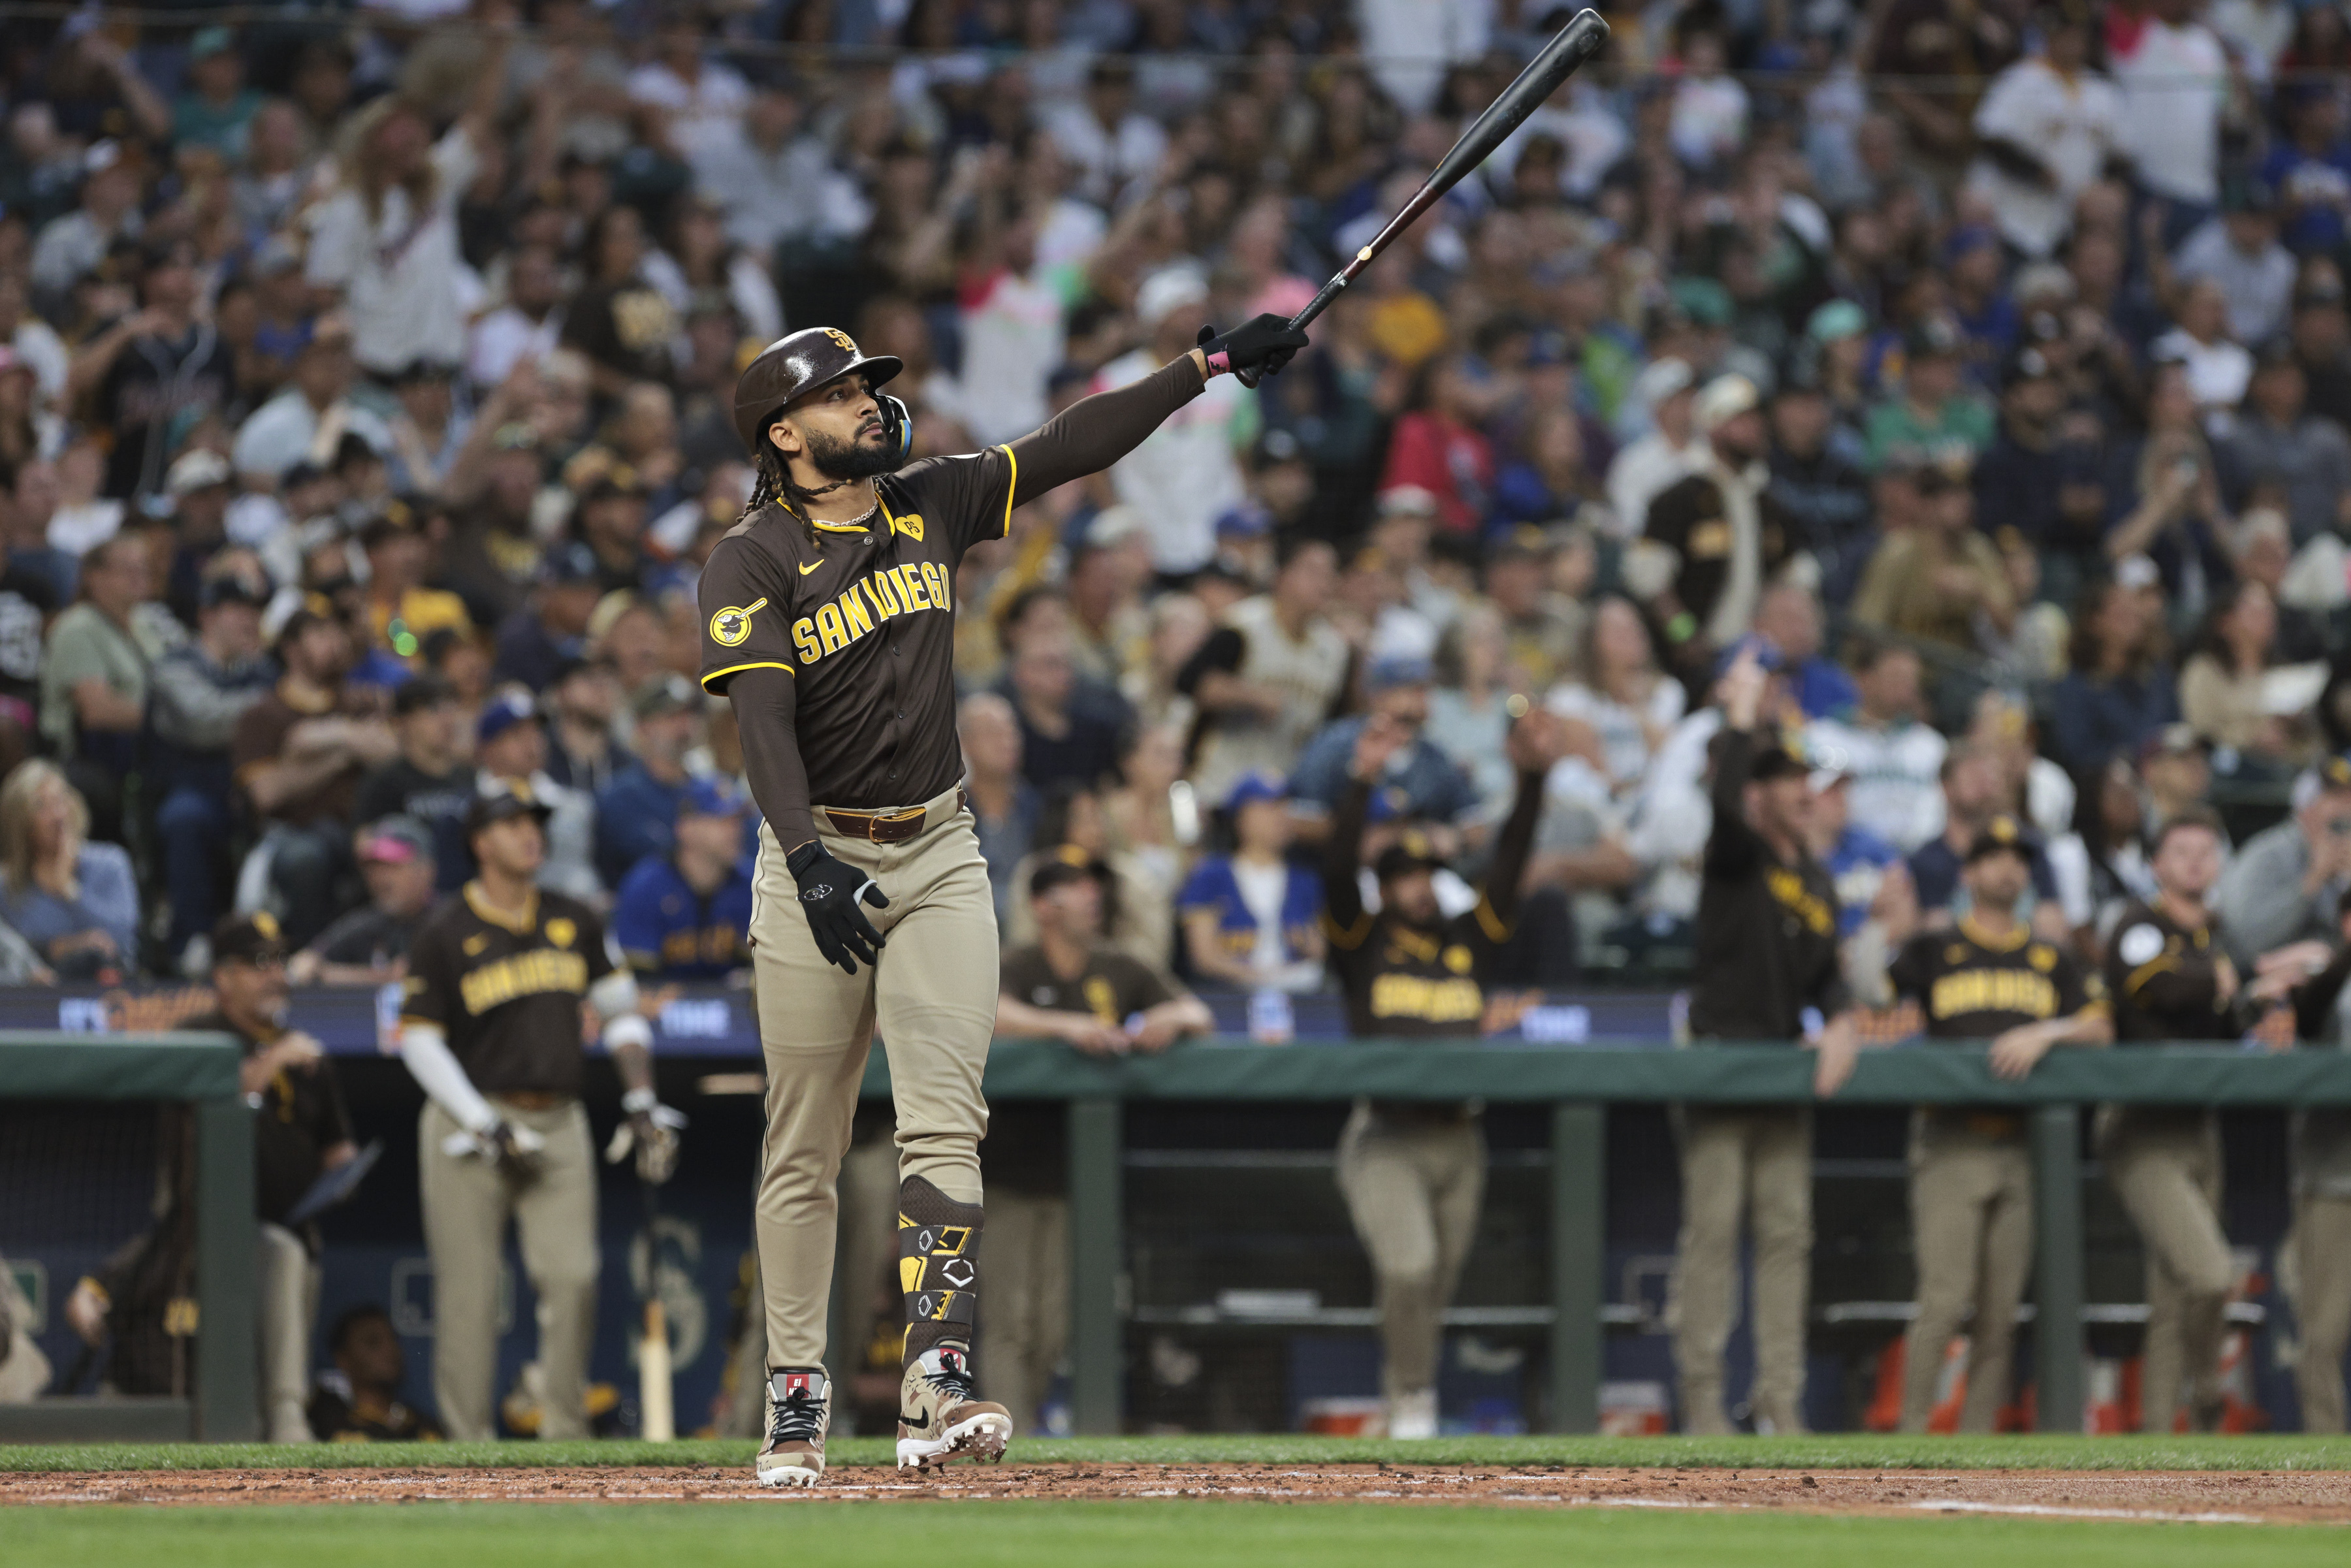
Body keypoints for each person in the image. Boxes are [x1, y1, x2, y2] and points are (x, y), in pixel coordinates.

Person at [696, 313, 1305, 1484]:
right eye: (843, 394)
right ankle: (797, 1391)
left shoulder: (932, 500)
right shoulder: (753, 555)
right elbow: (760, 720)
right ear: (784, 431)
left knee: (944, 1121)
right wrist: (804, 855)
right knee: (806, 1145)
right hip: (813, 851)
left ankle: (934, 1380)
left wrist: (1205, 368)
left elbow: (1073, 443)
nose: (871, 403)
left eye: (871, 387)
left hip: (937, 851)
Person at [396, 780, 680, 1443]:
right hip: (470, 1122)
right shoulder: (446, 928)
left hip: (558, 1118)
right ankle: (467, 1444)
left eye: (536, 821)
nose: (532, 833)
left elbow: (620, 1014)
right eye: (513, 822)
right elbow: (417, 1038)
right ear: (479, 841)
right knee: (469, 1295)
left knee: (573, 1277)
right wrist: (480, 1120)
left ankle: (564, 1436)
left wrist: (641, 1098)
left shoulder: (572, 915)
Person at [1319, 705, 1566, 1439]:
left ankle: (1407, 1396)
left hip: (1461, 1133)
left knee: (1436, 1284)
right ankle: (1414, 1400)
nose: (1419, 887)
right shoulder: (1361, 942)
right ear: (1384, 885)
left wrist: (1531, 777)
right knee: (1408, 1267)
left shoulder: (1469, 940)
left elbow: (1514, 860)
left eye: (1428, 873)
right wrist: (1360, 781)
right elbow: (1335, 868)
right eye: (1403, 876)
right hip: (1386, 1132)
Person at [1672, 647, 1863, 1436]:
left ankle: (1780, 1400)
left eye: (1800, 779)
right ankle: (1703, 1405)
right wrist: (1740, 716)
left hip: (1784, 1068)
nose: (1796, 790)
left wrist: (1846, 1018)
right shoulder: (1736, 853)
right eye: (1780, 778)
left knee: (1787, 1235)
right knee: (1713, 1237)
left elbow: (1827, 976)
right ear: (1759, 790)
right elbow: (1721, 805)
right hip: (1722, 1058)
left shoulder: (1814, 877)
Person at [1885, 817, 2111, 1433]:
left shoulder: (2049, 956)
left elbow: (2101, 1025)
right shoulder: (1934, 947)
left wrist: (2047, 1030)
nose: (2005, 867)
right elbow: (1872, 999)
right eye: (1991, 856)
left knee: (1999, 1310)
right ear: (1969, 872)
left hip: (2020, 1145)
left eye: (2016, 858)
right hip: (1950, 1139)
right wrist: (1885, 929)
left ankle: (1975, 1439)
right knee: (1943, 1297)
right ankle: (1909, 1433)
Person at [987, 857, 1211, 1431]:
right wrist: (1067, 1026)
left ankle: (1024, 1428)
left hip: (1079, 1177)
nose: (1090, 898)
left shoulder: (1119, 965)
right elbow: (989, 1012)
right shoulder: (1016, 961)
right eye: (1074, 889)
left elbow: (1197, 1011)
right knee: (1009, 1320)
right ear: (1043, 906)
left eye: (1093, 889)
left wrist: (1167, 1017)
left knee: (1057, 1323)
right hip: (1005, 1170)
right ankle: (1008, 1441)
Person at [182, 912, 357, 1443]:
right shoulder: (198, 1037)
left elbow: (337, 1147)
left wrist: (346, 1173)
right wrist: (275, 1058)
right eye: (259, 964)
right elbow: (211, 1108)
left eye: (279, 961)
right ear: (223, 976)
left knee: (291, 1258)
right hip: (214, 1233)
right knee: (280, 1254)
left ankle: (274, 1427)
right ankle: (286, 1421)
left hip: (296, 1226)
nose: (275, 974)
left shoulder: (308, 1056)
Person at [2102, 808, 2247, 1433]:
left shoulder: (2213, 938)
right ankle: (2209, 1384)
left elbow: (2231, 1021)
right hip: (2141, 1127)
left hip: (2197, 1128)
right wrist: (2220, 982)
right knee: (2211, 1274)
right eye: (2180, 850)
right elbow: (2159, 990)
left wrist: (2245, 996)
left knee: (2172, 1297)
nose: (2194, 861)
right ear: (2156, 863)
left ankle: (2159, 1439)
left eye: (2204, 852)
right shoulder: (2140, 923)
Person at [232, 606, 397, 948]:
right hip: (292, 832)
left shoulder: (361, 701)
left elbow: (391, 755)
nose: (336, 643)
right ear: (291, 649)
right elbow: (266, 793)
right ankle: (307, 957)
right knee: (307, 859)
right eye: (321, 635)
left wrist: (322, 742)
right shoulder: (263, 713)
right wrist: (344, 752)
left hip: (362, 827)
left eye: (338, 633)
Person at [150, 574, 274, 967]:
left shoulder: (262, 670)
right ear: (207, 616)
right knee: (185, 818)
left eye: (255, 611)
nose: (249, 621)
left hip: (253, 792)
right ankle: (190, 941)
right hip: (192, 789)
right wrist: (273, 707)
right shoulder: (175, 666)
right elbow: (203, 722)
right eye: (237, 610)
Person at [1174, 535, 1348, 807]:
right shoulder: (1243, 626)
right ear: (1281, 575)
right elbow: (1190, 683)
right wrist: (1250, 696)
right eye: (1313, 571)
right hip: (1218, 787)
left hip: (1280, 798)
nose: (1324, 583)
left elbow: (1337, 724)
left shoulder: (1336, 650)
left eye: (1331, 574)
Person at [1177, 772, 1324, 992]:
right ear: (1241, 817)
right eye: (1269, 807)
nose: (1281, 816)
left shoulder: (1304, 879)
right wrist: (1261, 978)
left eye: (1285, 806)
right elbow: (1204, 956)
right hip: (1227, 1000)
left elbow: (1318, 949)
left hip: (1295, 998)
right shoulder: (1211, 875)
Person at [1804, 640, 1947, 854]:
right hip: (1843, 855)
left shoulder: (1931, 745)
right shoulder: (1821, 736)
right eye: (1896, 677)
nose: (1906, 687)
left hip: (1916, 862)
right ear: (1865, 678)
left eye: (1912, 680)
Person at [0, 759, 138, 980]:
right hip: (35, 1004)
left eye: (60, 800)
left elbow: (124, 942)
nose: (58, 816)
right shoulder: (8, 886)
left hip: (110, 996)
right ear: (20, 822)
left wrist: (69, 891)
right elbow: (10, 955)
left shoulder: (110, 863)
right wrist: (61, 947)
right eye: (41, 806)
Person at [613, 778, 753, 981]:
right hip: (662, 1007)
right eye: (722, 821)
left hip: (735, 1007)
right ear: (686, 829)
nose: (736, 831)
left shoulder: (752, 884)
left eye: (738, 821)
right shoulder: (645, 886)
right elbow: (640, 981)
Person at [2216, 756, 2351, 963]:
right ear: (2306, 807)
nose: (2347, 807)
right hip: (2263, 977)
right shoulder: (2266, 855)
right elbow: (2247, 941)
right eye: (2336, 797)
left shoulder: (2343, 853)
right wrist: (2314, 879)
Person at [356, 675, 474, 892]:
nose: (447, 719)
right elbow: (364, 848)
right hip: (412, 899)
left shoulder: (471, 777)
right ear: (404, 721)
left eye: (451, 708)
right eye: (434, 710)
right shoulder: (385, 782)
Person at [288, 818, 438, 985]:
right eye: (374, 868)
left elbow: (408, 976)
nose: (381, 879)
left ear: (426, 870)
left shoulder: (450, 920)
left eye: (393, 867)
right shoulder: (365, 923)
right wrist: (318, 969)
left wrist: (331, 974)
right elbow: (303, 963)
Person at [593, 675, 703, 887]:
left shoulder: (709, 792)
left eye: (690, 715)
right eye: (672, 717)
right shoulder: (620, 797)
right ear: (643, 727)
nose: (684, 726)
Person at [306, 1304, 445, 1441]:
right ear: (343, 1359)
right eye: (373, 1342)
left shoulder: (422, 1426)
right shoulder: (321, 1420)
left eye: (393, 1339)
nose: (390, 1350)